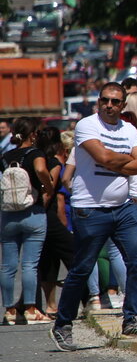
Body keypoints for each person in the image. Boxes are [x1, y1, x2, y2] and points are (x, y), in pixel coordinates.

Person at [50, 83, 137, 351]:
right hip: (90, 208)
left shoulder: (129, 129)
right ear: (99, 102)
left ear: (123, 106)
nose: (110, 106)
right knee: (82, 268)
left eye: (115, 102)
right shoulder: (87, 125)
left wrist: (114, 160)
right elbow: (103, 157)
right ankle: (63, 324)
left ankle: (131, 318)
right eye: (105, 101)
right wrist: (124, 160)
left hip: (124, 207)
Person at [2, 117, 54, 324]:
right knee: (30, 264)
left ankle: (10, 311)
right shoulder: (35, 153)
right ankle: (31, 309)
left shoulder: (5, 156)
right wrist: (48, 187)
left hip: (8, 215)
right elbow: (41, 170)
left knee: (7, 266)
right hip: (33, 212)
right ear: (32, 135)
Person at [35, 126, 73, 316]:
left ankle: (50, 305)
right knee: (74, 256)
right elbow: (52, 195)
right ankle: (84, 299)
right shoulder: (53, 163)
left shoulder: (32, 158)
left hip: (32, 215)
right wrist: (63, 224)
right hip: (48, 217)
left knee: (46, 262)